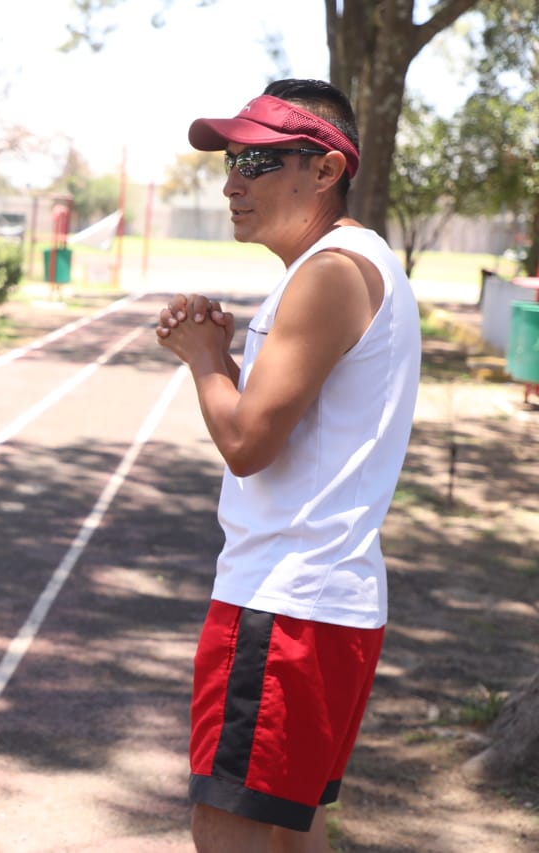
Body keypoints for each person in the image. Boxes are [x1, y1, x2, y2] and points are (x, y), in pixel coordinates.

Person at [156, 79, 421, 852]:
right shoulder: (349, 266)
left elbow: (247, 443)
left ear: (327, 169)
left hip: (284, 607)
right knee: (292, 833)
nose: (234, 181)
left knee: (228, 831)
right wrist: (226, 364)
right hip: (320, 606)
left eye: (260, 161)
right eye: (232, 160)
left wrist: (205, 358)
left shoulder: (330, 272)